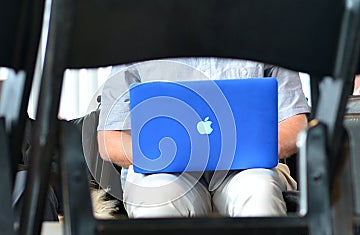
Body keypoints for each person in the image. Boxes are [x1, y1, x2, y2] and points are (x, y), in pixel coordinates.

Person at [97, 58, 310, 218]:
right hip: (164, 172)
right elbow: (109, 141)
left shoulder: (265, 35)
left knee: (260, 194)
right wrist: (163, 154)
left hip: (247, 169)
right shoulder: (139, 43)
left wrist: (252, 148)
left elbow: (295, 125)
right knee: (157, 201)